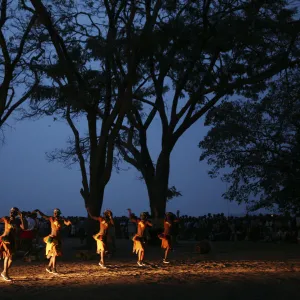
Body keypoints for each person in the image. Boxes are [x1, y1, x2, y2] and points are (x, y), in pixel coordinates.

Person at [34, 208, 71, 274]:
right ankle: (54, 269)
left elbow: (68, 223)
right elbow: (44, 216)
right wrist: (38, 211)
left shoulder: (61, 220)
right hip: (52, 238)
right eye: (54, 213)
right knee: (54, 254)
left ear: (59, 213)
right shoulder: (51, 218)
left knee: (54, 254)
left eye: (56, 213)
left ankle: (48, 267)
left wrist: (67, 220)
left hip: (58, 239)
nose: (55, 214)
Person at [0, 207, 26, 281]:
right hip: (5, 239)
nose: (11, 213)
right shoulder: (6, 218)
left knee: (11, 259)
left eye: (14, 212)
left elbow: (24, 228)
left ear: (16, 214)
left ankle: (4, 272)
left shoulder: (17, 221)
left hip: (12, 240)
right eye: (11, 211)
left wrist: (21, 217)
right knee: (8, 255)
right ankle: (5, 273)